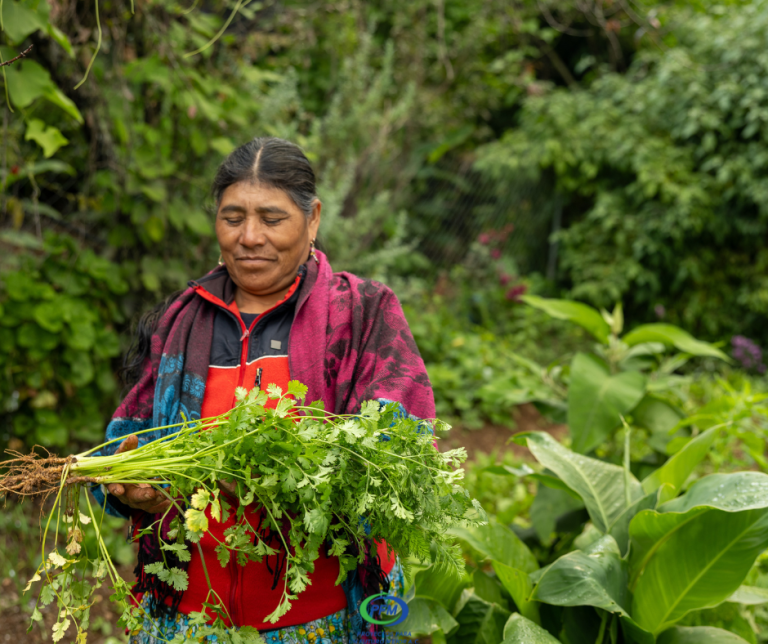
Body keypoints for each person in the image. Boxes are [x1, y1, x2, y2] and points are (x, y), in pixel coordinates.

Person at [92, 137, 436, 644]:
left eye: (272, 219)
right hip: (186, 617)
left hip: (320, 621)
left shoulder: (360, 315)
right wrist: (136, 490)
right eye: (232, 218)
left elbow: (398, 452)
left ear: (312, 219)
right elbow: (126, 442)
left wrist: (294, 481)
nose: (249, 237)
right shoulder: (183, 323)